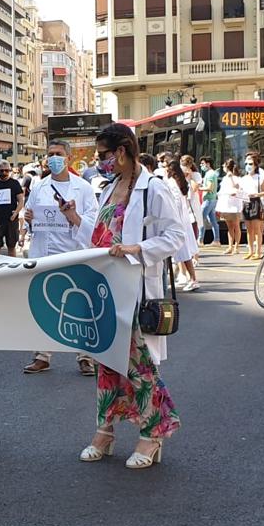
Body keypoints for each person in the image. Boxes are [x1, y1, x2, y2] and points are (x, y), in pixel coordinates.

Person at [84, 123, 186, 469]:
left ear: (123, 151)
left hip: (136, 290)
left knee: (139, 367)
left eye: (104, 155)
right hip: (104, 290)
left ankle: (152, 434)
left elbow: (176, 236)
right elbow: (100, 234)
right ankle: (105, 430)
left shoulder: (153, 189)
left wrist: (137, 248)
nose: (101, 162)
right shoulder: (108, 187)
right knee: (106, 363)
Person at [21, 140, 101, 376]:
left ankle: (86, 356)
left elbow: (93, 224)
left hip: (74, 253)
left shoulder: (83, 188)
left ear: (68, 157)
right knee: (44, 304)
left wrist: (73, 217)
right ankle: (42, 355)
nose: (53, 158)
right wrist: (28, 217)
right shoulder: (39, 187)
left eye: (58, 154)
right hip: (45, 254)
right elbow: (32, 219)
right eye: (49, 154)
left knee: (79, 304)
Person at [166, 160, 201, 292]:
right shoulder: (179, 182)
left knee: (183, 252)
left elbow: (175, 203)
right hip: (181, 221)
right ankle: (184, 277)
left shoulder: (171, 183)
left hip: (177, 222)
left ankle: (192, 279)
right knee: (181, 252)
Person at [0, 160, 24, 256]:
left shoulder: (14, 183)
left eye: (6, 170)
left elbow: (21, 200)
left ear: (10, 170)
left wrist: (16, 213)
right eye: (1, 171)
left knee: (11, 246)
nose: (4, 173)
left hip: (11, 220)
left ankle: (13, 268)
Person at [240, 151, 264, 259]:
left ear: (256, 164)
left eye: (251, 164)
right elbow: (240, 191)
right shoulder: (243, 179)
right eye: (246, 164)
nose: (248, 166)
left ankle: (258, 252)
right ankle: (250, 251)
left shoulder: (260, 177)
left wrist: (255, 194)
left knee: (257, 229)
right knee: (248, 229)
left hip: (256, 202)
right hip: (246, 203)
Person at [216, 158, 245, 254]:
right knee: (229, 227)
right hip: (225, 205)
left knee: (236, 226)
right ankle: (230, 246)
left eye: (224, 166)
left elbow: (237, 187)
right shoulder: (224, 178)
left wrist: (231, 177)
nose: (222, 167)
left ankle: (236, 246)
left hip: (234, 206)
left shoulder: (237, 178)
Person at [198, 157, 220, 246]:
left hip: (208, 199)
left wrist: (199, 188)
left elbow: (209, 187)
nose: (201, 166)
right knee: (213, 221)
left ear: (208, 164)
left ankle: (200, 240)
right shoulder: (212, 173)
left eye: (203, 164)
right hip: (212, 199)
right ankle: (216, 240)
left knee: (201, 219)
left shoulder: (210, 174)